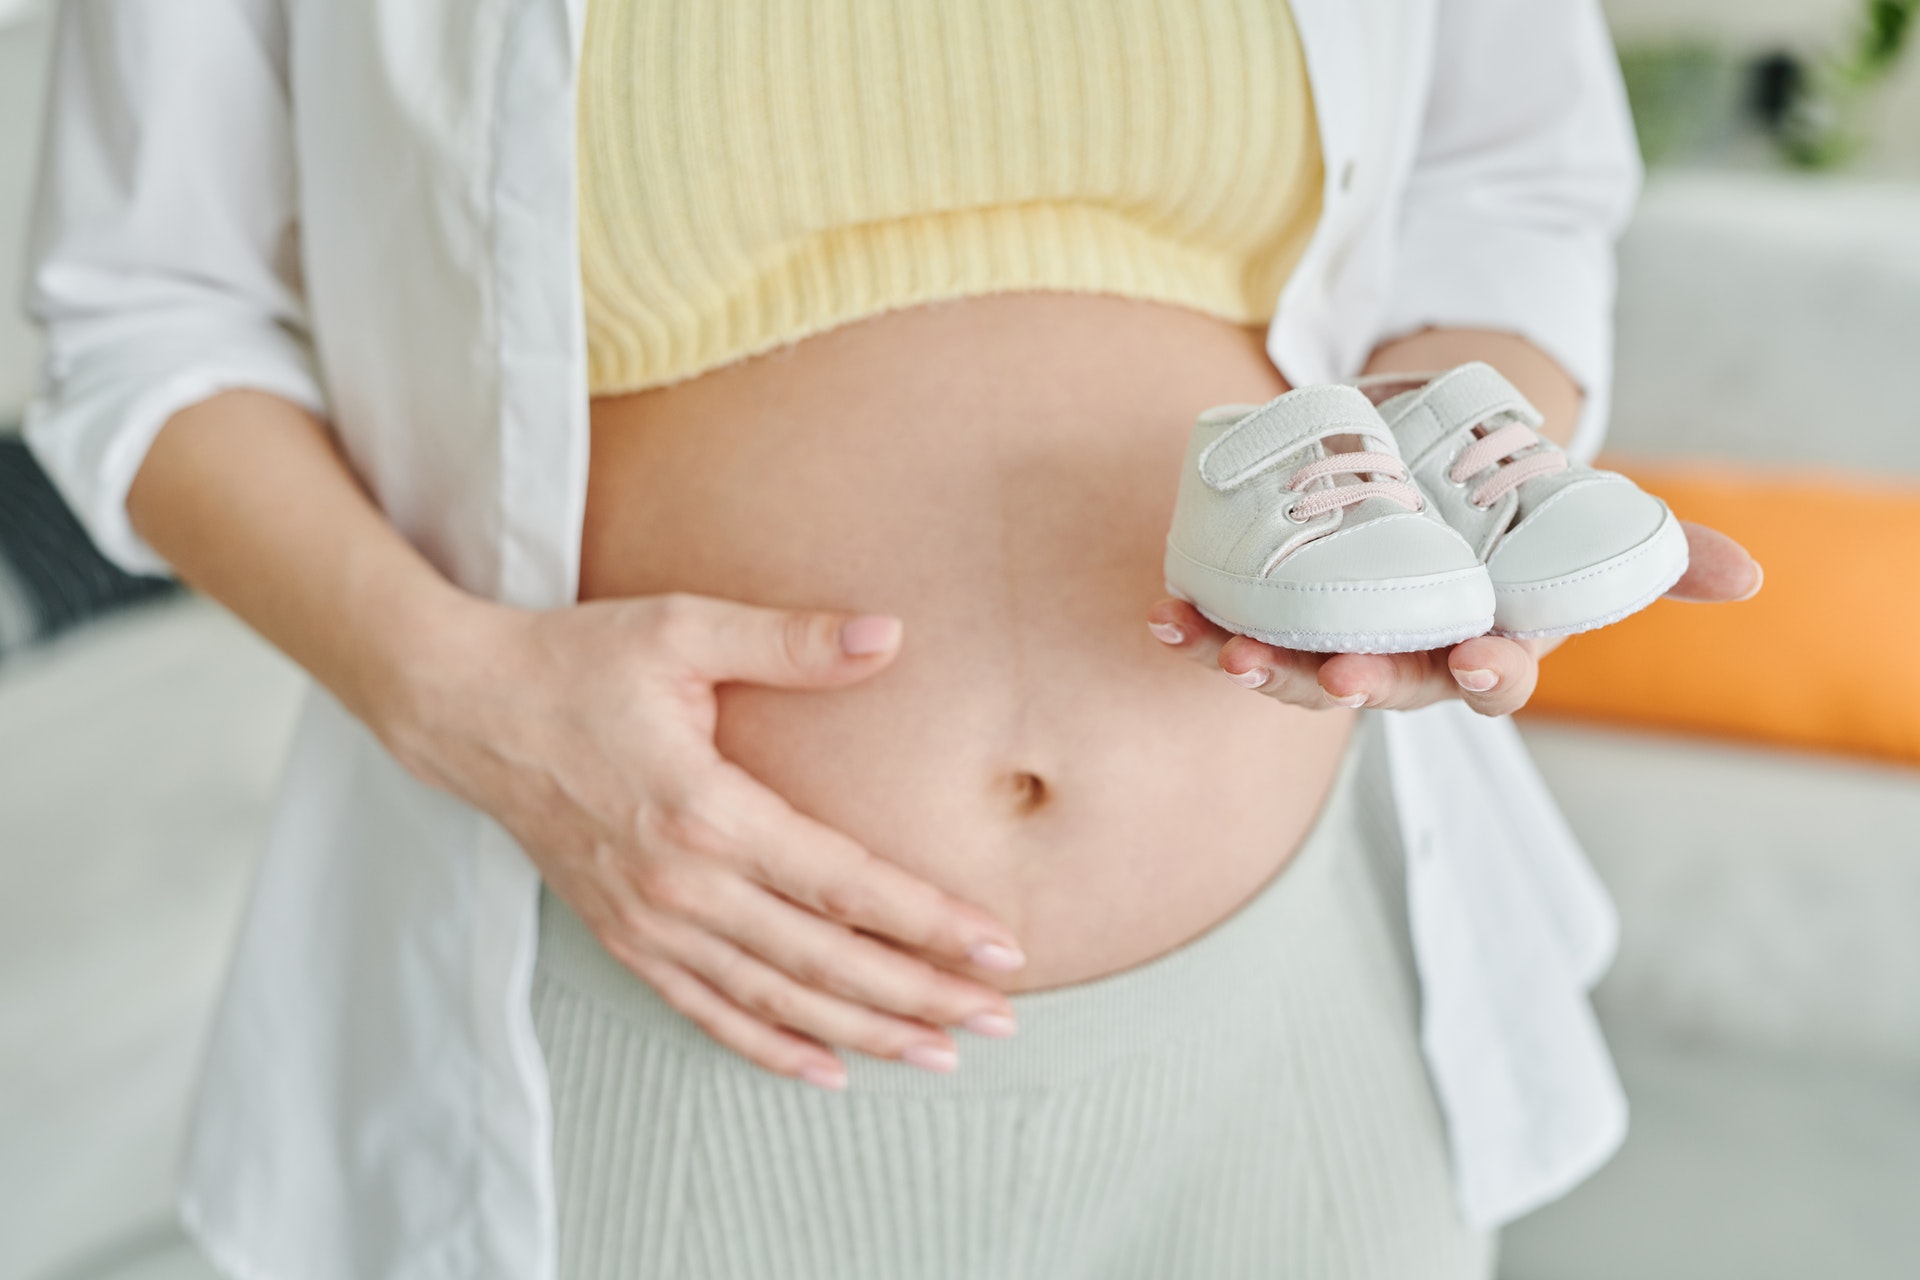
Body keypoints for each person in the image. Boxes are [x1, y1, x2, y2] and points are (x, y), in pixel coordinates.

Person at [24, 0, 1761, 1277]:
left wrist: (1460, 491)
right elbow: (144, 321)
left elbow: (1504, 187)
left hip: (1288, 1034)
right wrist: (455, 690)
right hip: (669, 1024)